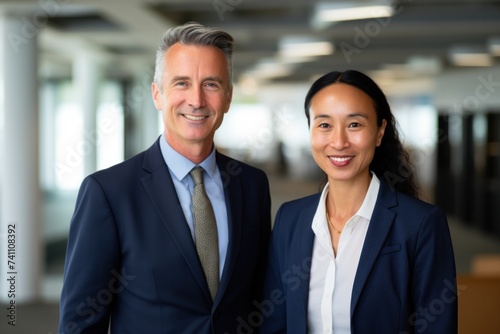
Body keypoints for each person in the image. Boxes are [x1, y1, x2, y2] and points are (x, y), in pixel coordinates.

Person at [58, 22, 271, 334]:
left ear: (228, 97)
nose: (196, 100)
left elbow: (259, 299)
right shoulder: (108, 193)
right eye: (182, 83)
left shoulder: (252, 186)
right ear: (157, 94)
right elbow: (80, 322)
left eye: (211, 84)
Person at [260, 70, 457, 333]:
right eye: (324, 125)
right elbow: (274, 322)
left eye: (354, 124)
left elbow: (437, 327)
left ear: (379, 132)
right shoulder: (290, 219)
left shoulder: (419, 224)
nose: (339, 142)